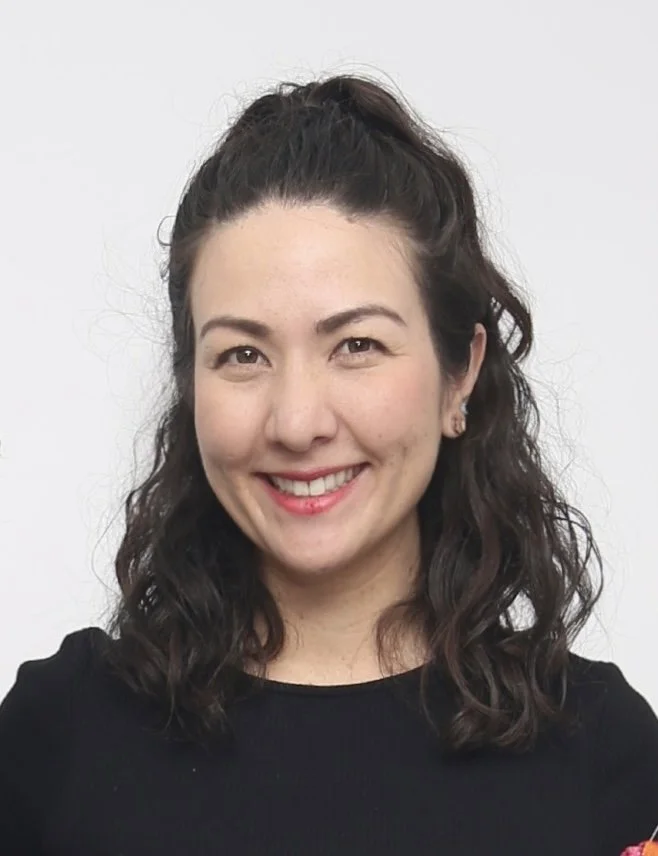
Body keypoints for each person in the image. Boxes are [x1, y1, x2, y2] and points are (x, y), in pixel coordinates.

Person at [1, 72, 657, 856]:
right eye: (243, 354)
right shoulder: (58, 738)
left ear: (461, 375)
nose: (298, 421)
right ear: (190, 386)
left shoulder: (600, 753)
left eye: (357, 346)